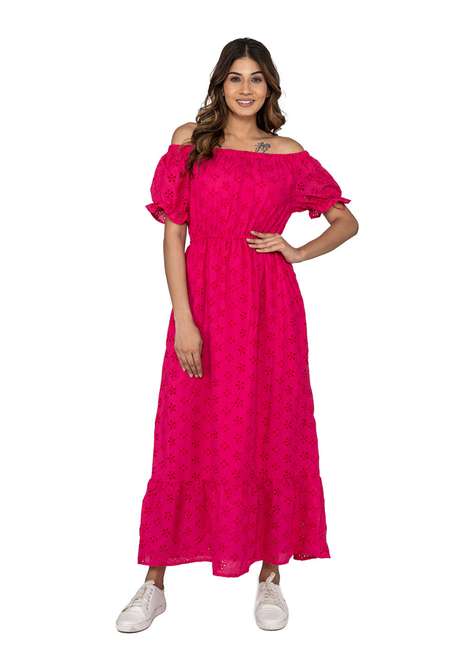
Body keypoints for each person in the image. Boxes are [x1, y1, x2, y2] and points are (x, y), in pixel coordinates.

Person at [116, 37, 359, 633]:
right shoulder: (189, 142)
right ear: (219, 84)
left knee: (271, 427)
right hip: (203, 302)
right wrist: (184, 318)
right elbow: (173, 235)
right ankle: (154, 582)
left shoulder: (288, 153)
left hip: (270, 310)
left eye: (256, 78)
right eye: (235, 77)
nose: (245, 88)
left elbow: (346, 220)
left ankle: (271, 574)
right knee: (184, 429)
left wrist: (296, 250)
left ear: (269, 86)